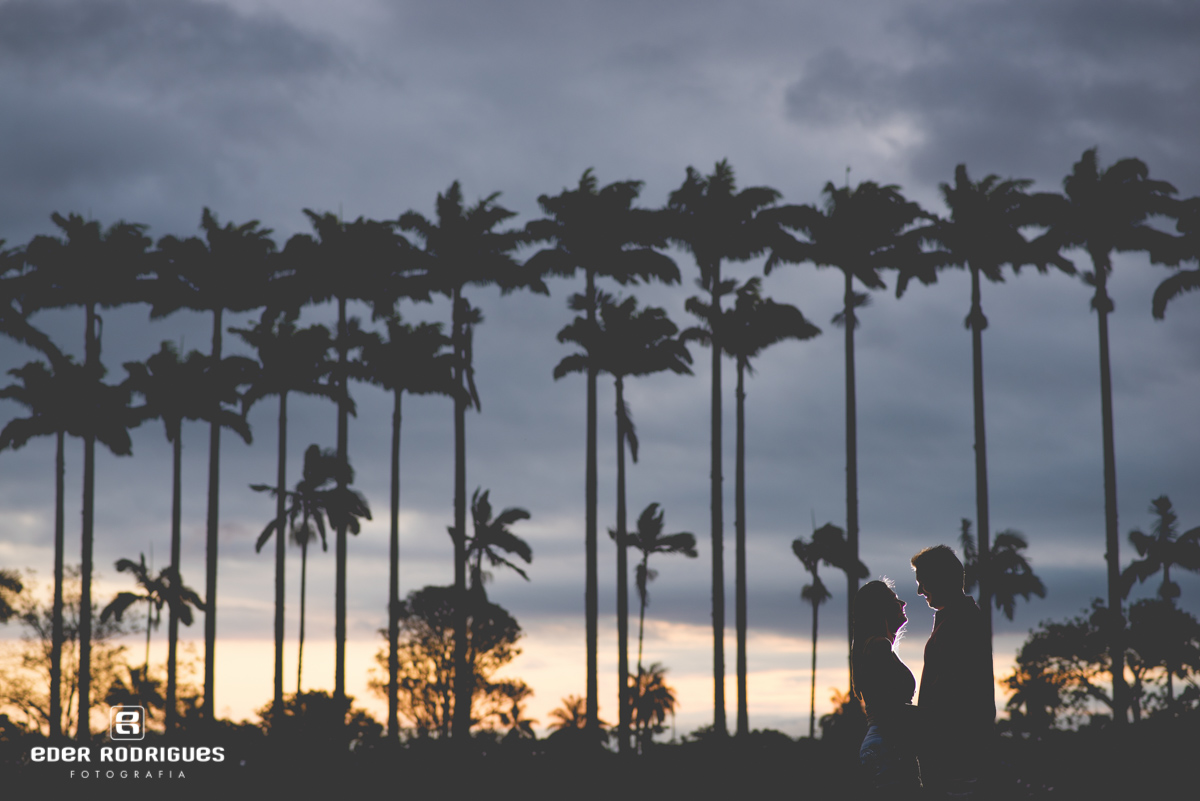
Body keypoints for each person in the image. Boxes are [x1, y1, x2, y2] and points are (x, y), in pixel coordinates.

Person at [911, 544, 995, 799]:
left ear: (938, 579)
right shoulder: (955, 618)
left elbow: (951, 695)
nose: (918, 591)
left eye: (922, 582)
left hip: (956, 752)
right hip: (951, 750)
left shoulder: (962, 622)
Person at [852, 578, 922, 798]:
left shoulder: (874, 646)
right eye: (894, 599)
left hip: (883, 742)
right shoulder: (878, 646)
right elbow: (890, 709)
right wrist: (935, 717)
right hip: (889, 745)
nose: (902, 602)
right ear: (880, 609)